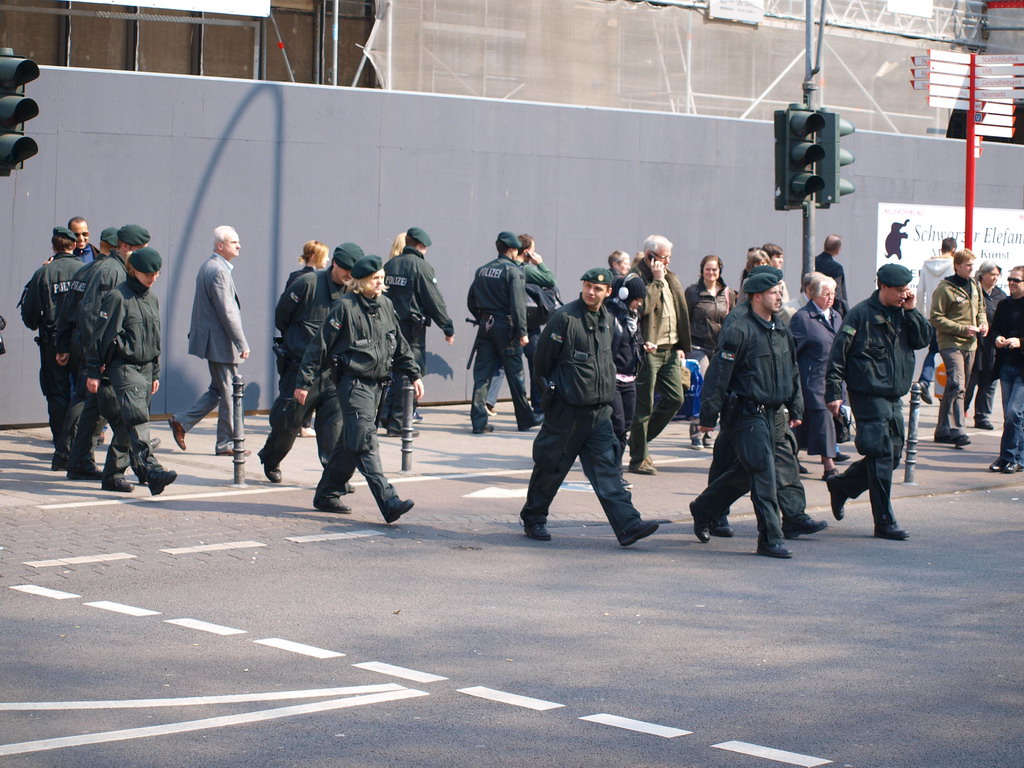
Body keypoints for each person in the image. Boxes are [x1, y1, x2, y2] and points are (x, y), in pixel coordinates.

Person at [519, 268, 660, 547]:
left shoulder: (608, 319)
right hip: (567, 411)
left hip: (599, 413)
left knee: (607, 470)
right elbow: (542, 362)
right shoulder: (565, 318)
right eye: (587, 286)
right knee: (551, 467)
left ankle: (628, 525)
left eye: (597, 289)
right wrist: (552, 395)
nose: (590, 292)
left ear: (608, 292)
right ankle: (534, 517)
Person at [690, 268, 807, 558]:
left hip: (775, 414)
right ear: (757, 297)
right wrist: (708, 417)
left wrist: (796, 405)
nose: (779, 296)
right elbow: (718, 375)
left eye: (779, 291)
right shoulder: (739, 328)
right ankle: (769, 538)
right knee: (762, 472)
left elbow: (792, 368)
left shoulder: (779, 327)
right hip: (747, 413)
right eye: (773, 292)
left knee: (746, 473)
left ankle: (704, 508)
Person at [295, 254, 420, 521]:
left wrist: (414, 374)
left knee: (349, 442)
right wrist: (304, 382)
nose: (380, 283)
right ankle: (389, 500)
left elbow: (398, 344)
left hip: (377, 387)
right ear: (361, 281)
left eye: (382, 278)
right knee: (364, 441)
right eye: (375, 279)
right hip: (353, 384)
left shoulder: (386, 304)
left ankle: (327, 493)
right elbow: (319, 346)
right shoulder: (344, 307)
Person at [825, 264, 932, 540]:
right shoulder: (860, 315)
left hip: (894, 396)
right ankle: (884, 520)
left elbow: (923, 340)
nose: (903, 294)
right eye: (898, 290)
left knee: (892, 455)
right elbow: (838, 356)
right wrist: (834, 393)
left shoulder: (904, 313)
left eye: (906, 289)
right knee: (882, 453)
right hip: (868, 395)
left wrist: (911, 311)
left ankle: (843, 486)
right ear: (882, 286)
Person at [258, 242, 362, 483]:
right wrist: (299, 341)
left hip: (334, 373)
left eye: (353, 272)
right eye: (346, 269)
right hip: (300, 369)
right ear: (335, 263)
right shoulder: (307, 283)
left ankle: (333, 478)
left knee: (332, 428)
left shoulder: (352, 293)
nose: (349, 275)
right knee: (288, 424)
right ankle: (271, 458)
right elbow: (282, 317)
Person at [85, 247, 177, 496]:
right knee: (137, 418)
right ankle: (152, 470)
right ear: (132, 270)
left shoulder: (152, 298)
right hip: (124, 367)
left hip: (146, 368)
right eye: (147, 273)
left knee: (127, 424)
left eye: (156, 273)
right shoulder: (118, 297)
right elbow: (100, 336)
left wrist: (155, 372)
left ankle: (113, 476)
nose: (152, 278)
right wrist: (93, 371)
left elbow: (155, 339)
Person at [61, 225, 150, 479]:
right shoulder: (112, 272)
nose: (144, 254)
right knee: (122, 413)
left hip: (100, 354)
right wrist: (96, 360)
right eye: (140, 249)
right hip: (104, 356)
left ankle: (76, 461)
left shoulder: (115, 269)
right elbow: (91, 315)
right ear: (126, 247)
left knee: (93, 409)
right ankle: (143, 462)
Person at [169, 226, 250, 456]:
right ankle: (225, 443)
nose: (239, 245)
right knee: (228, 393)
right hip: (220, 344)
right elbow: (227, 311)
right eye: (234, 242)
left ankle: (181, 422)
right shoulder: (218, 270)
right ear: (220, 246)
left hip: (214, 342)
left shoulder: (211, 266)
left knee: (218, 389)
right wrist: (241, 342)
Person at [18, 226, 84, 465]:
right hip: (80, 343)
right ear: (74, 245)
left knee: (57, 395)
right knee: (83, 395)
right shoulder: (85, 270)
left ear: (54, 247)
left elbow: (29, 315)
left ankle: (62, 447)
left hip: (53, 343)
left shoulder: (43, 273)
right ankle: (80, 446)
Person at [381, 227, 454, 436]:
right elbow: (434, 301)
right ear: (422, 246)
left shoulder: (390, 265)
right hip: (411, 331)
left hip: (389, 328)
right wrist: (447, 327)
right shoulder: (421, 267)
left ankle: (386, 414)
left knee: (393, 371)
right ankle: (398, 424)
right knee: (409, 373)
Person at [627, 235, 690, 474]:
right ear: (651, 257)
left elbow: (678, 310)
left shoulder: (670, 277)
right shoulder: (636, 277)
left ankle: (638, 442)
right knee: (643, 406)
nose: (668, 262)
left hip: (671, 350)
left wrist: (682, 343)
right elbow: (641, 308)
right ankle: (639, 458)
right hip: (648, 351)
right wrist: (656, 281)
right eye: (665, 257)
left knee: (676, 398)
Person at [467, 231, 541, 433]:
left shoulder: (482, 270)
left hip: (485, 326)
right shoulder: (513, 271)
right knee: (516, 374)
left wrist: (482, 317)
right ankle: (525, 419)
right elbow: (518, 306)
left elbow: (471, 300)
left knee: (482, 375)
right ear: (512, 249)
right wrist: (522, 331)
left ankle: (478, 421)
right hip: (506, 328)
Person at [930, 248, 987, 448]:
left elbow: (981, 309)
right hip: (950, 342)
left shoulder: (974, 285)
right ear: (957, 266)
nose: (972, 269)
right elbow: (936, 317)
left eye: (973, 265)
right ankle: (958, 429)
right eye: (968, 265)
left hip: (971, 343)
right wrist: (963, 328)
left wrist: (983, 324)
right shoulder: (945, 289)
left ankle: (942, 428)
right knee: (957, 383)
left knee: (957, 386)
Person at [790, 273, 842, 480]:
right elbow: (792, 351)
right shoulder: (802, 318)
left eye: (833, 293)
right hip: (811, 379)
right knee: (822, 419)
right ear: (813, 295)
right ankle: (829, 465)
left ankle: (791, 458)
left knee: (807, 425)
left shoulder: (836, 316)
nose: (830, 297)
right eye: (826, 293)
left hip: (832, 378)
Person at [684, 254, 737, 448]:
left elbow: (733, 320)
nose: (711, 272)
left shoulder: (727, 294)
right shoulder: (692, 292)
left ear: (720, 271)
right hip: (697, 346)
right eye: (708, 269)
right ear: (702, 271)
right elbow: (684, 320)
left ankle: (709, 429)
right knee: (705, 386)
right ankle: (697, 429)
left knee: (718, 389)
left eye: (715, 269)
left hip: (719, 347)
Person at [606, 273, 652, 488]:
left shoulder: (633, 318)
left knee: (624, 427)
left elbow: (631, 344)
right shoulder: (610, 316)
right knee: (616, 426)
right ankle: (614, 473)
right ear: (624, 294)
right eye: (637, 298)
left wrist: (643, 348)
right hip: (613, 379)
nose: (639, 303)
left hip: (630, 379)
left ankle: (614, 468)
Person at [520, 234, 561, 415]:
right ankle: (538, 405)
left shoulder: (510, 268)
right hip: (529, 322)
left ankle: (488, 402)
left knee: (499, 365)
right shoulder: (526, 269)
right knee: (536, 364)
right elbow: (550, 280)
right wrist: (540, 263)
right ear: (528, 252)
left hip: (515, 320)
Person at [989, 265, 1024, 474]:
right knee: (1011, 416)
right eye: (1010, 279)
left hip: (1022, 368)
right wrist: (997, 338)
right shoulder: (1004, 304)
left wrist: (1020, 342)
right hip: (1006, 365)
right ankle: (1009, 457)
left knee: (1014, 413)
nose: (1011, 283)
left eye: (1016, 280)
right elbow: (996, 329)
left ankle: (1011, 456)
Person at [965, 261, 1007, 430]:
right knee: (970, 382)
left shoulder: (1000, 295)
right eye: (992, 274)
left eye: (997, 274)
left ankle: (982, 417)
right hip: (976, 342)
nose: (995, 278)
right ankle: (959, 413)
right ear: (982, 275)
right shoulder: (974, 291)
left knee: (989, 383)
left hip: (993, 346)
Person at [916, 237, 956, 404]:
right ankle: (945, 392)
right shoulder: (954, 265)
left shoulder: (927, 265)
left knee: (933, 351)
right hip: (950, 316)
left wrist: (922, 314)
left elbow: (920, 291)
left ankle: (925, 380)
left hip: (933, 315)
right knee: (951, 354)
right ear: (954, 249)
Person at [815, 234, 848, 315]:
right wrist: (840, 314)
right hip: (829, 310)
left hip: (811, 306)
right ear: (838, 250)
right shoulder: (836, 268)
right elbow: (838, 295)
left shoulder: (812, 262)